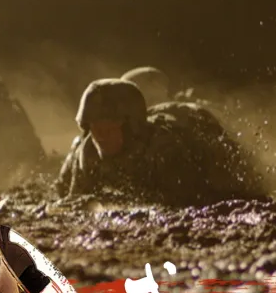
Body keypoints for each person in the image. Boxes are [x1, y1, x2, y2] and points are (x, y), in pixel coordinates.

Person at [57, 79, 264, 204]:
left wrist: (112, 203)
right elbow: (74, 201)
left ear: (131, 128)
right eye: (96, 129)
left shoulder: (164, 147)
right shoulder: (88, 153)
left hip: (201, 137)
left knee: (240, 190)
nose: (101, 137)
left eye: (109, 129)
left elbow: (182, 201)